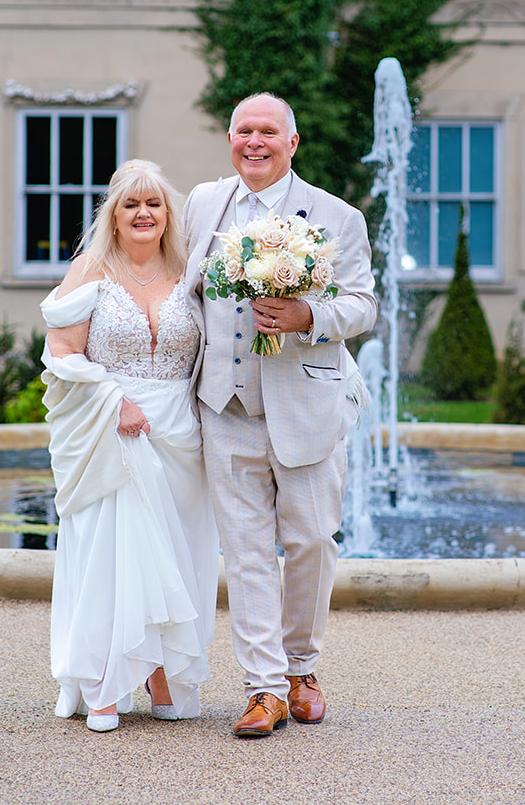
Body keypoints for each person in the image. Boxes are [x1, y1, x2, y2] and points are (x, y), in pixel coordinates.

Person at [180, 93, 377, 738]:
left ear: (292, 143)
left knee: (312, 541)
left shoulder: (337, 216)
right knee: (244, 553)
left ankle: (301, 669)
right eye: (244, 131)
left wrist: (307, 315)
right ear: (230, 140)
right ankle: (262, 687)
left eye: (268, 131)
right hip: (224, 403)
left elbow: (362, 305)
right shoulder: (204, 203)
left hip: (307, 403)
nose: (254, 142)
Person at [40, 159, 219, 732]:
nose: (144, 214)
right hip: (111, 428)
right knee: (110, 557)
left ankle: (163, 674)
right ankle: (103, 682)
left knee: (175, 554)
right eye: (131, 204)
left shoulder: (190, 270)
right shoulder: (91, 269)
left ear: (168, 214)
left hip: (180, 432)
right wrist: (114, 400)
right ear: (113, 216)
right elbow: (61, 351)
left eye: (154, 204)